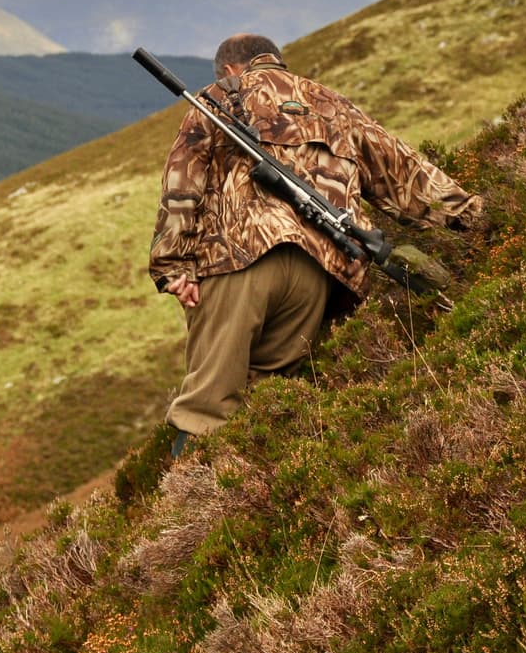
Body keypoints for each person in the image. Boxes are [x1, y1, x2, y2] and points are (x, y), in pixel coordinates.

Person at [149, 33, 483, 458]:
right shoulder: (333, 104)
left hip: (240, 259)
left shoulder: (214, 100)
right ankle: (254, 501)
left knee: (206, 409)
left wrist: (173, 267)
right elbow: (407, 175)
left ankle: (185, 509)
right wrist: (474, 215)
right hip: (321, 274)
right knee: (266, 402)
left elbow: (181, 186)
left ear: (231, 70)